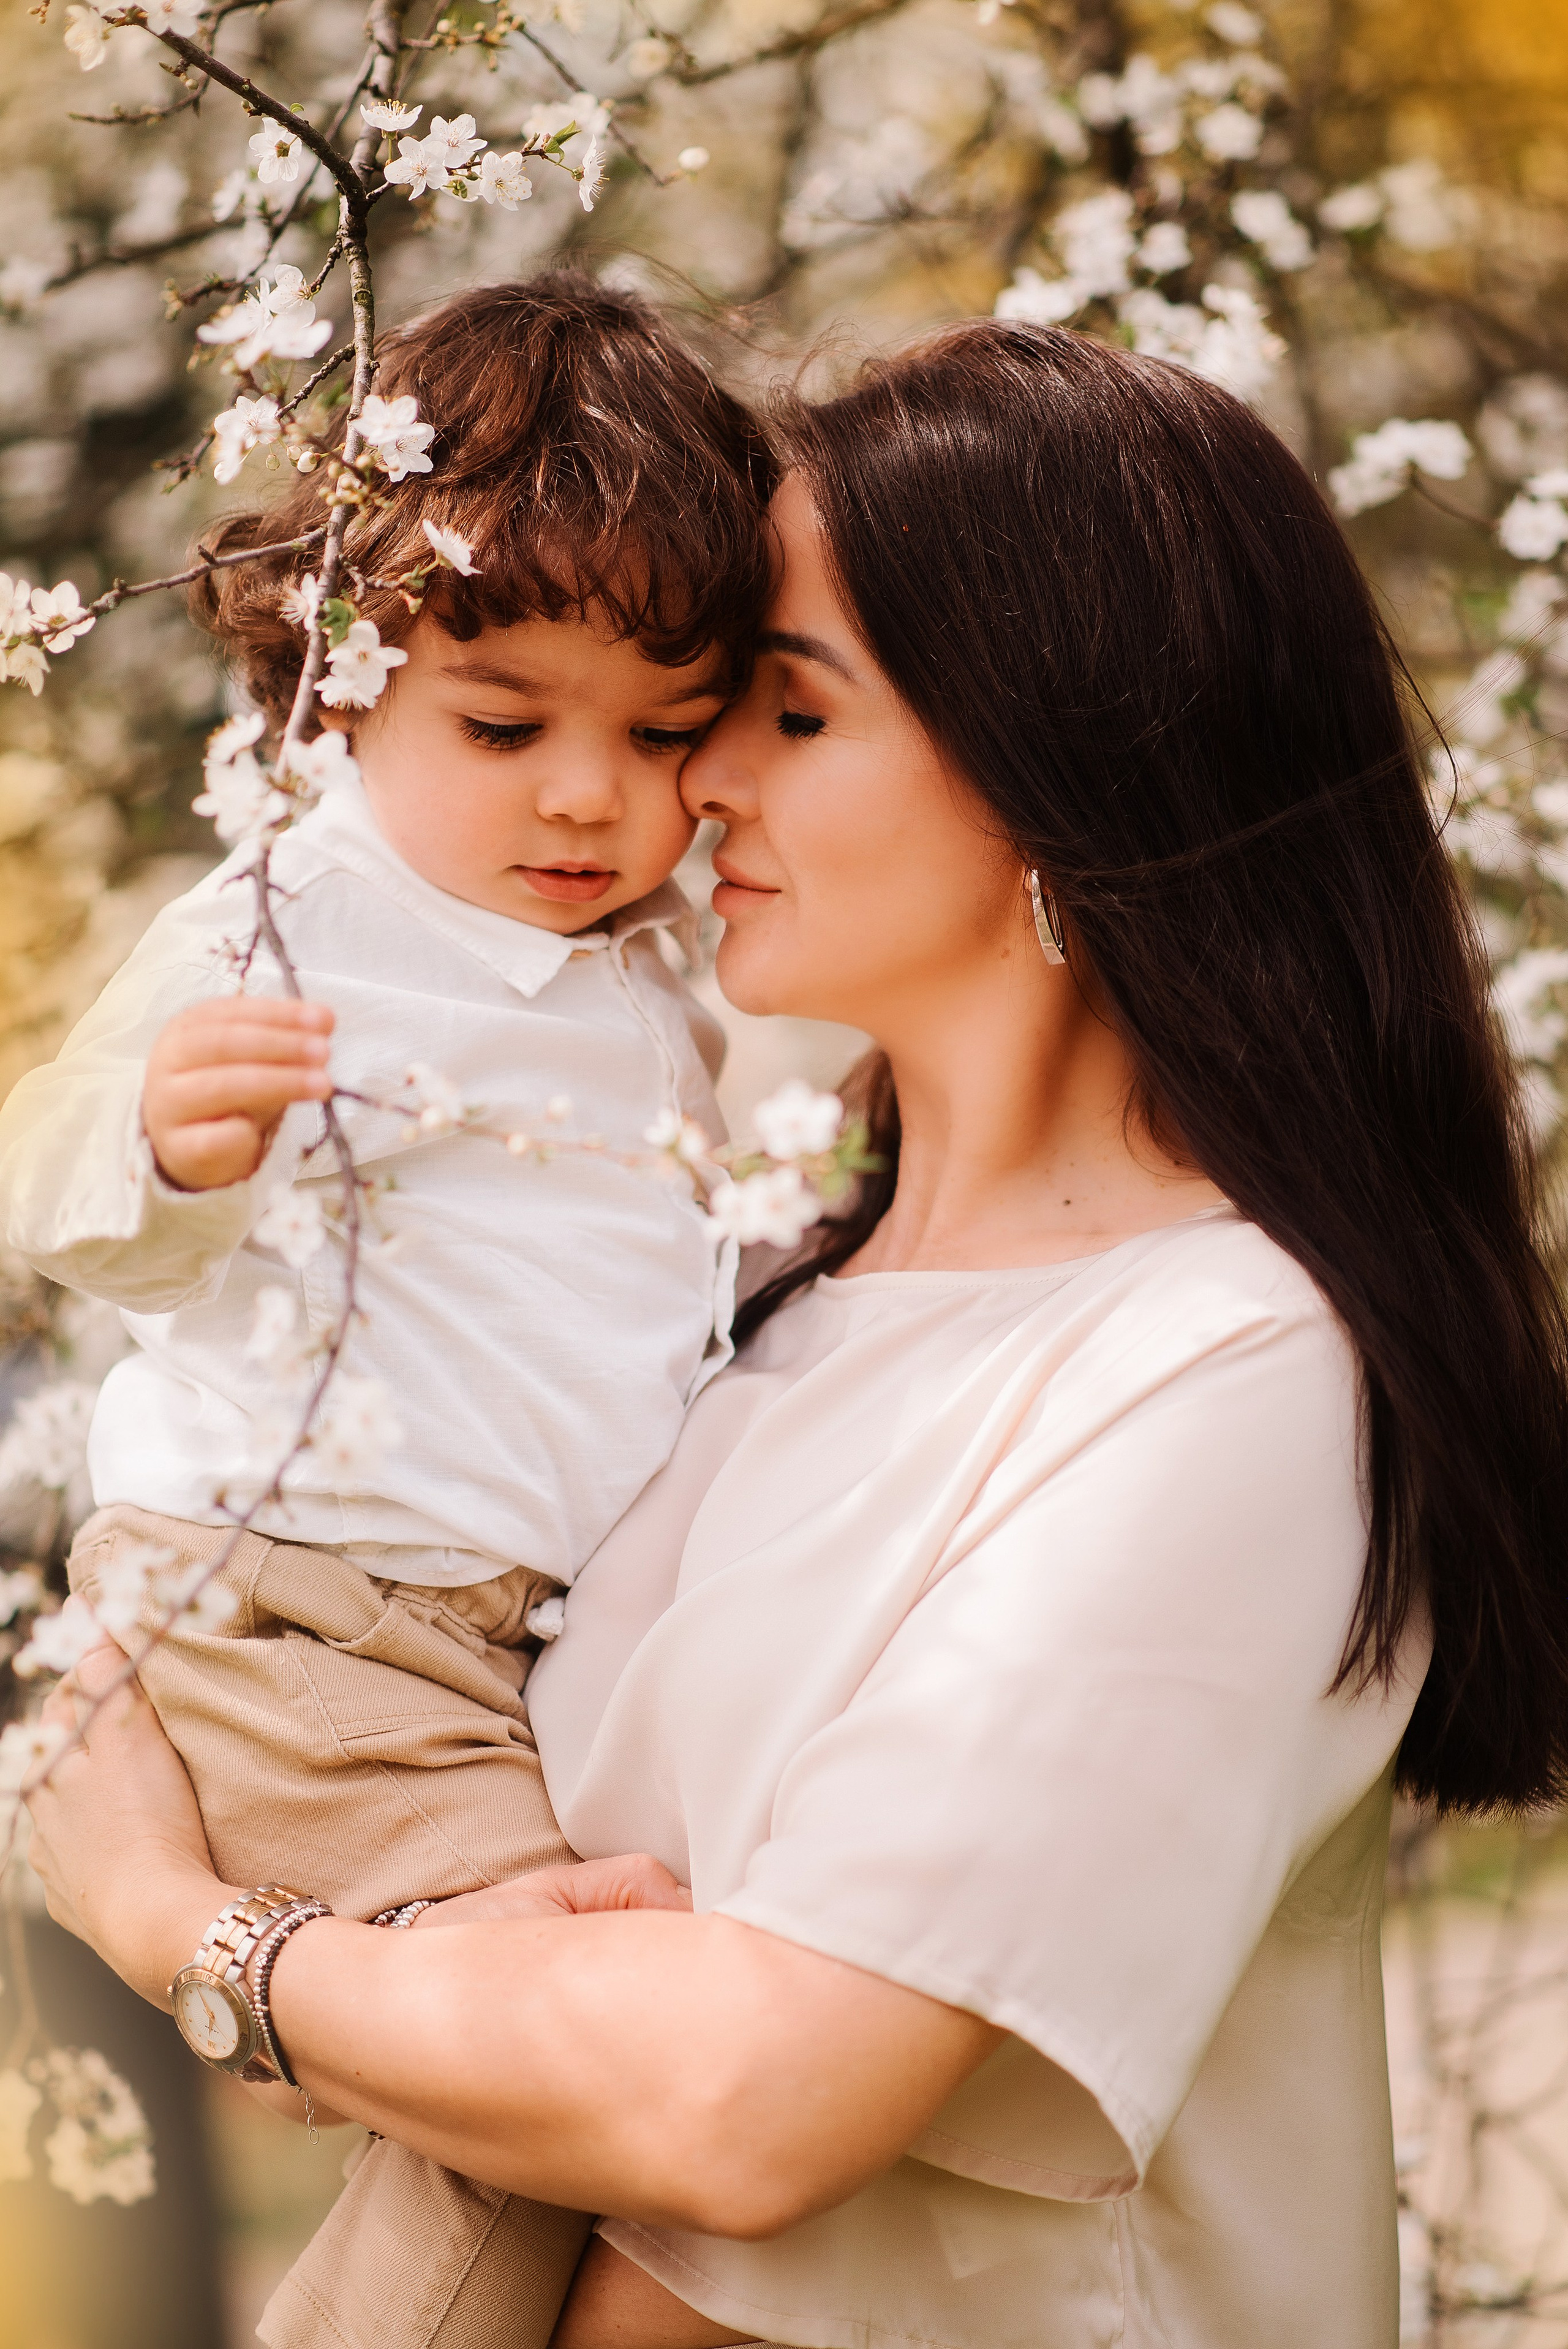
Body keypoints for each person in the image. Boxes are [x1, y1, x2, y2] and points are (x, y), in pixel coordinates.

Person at [26, 319, 1568, 2349]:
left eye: (771, 707)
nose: (684, 783)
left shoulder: (1215, 1363)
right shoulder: (754, 1307)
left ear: (1052, 770)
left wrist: (185, 1928)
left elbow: (741, 2106)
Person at [0, 271, 774, 2349]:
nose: (590, 800)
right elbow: (45, 1174)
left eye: (664, 732)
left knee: (544, 2076)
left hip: (472, 1639)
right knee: (545, 2058)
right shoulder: (300, 903)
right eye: (505, 724)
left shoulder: (649, 955)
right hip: (300, 1606)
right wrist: (166, 1141)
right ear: (339, 681)